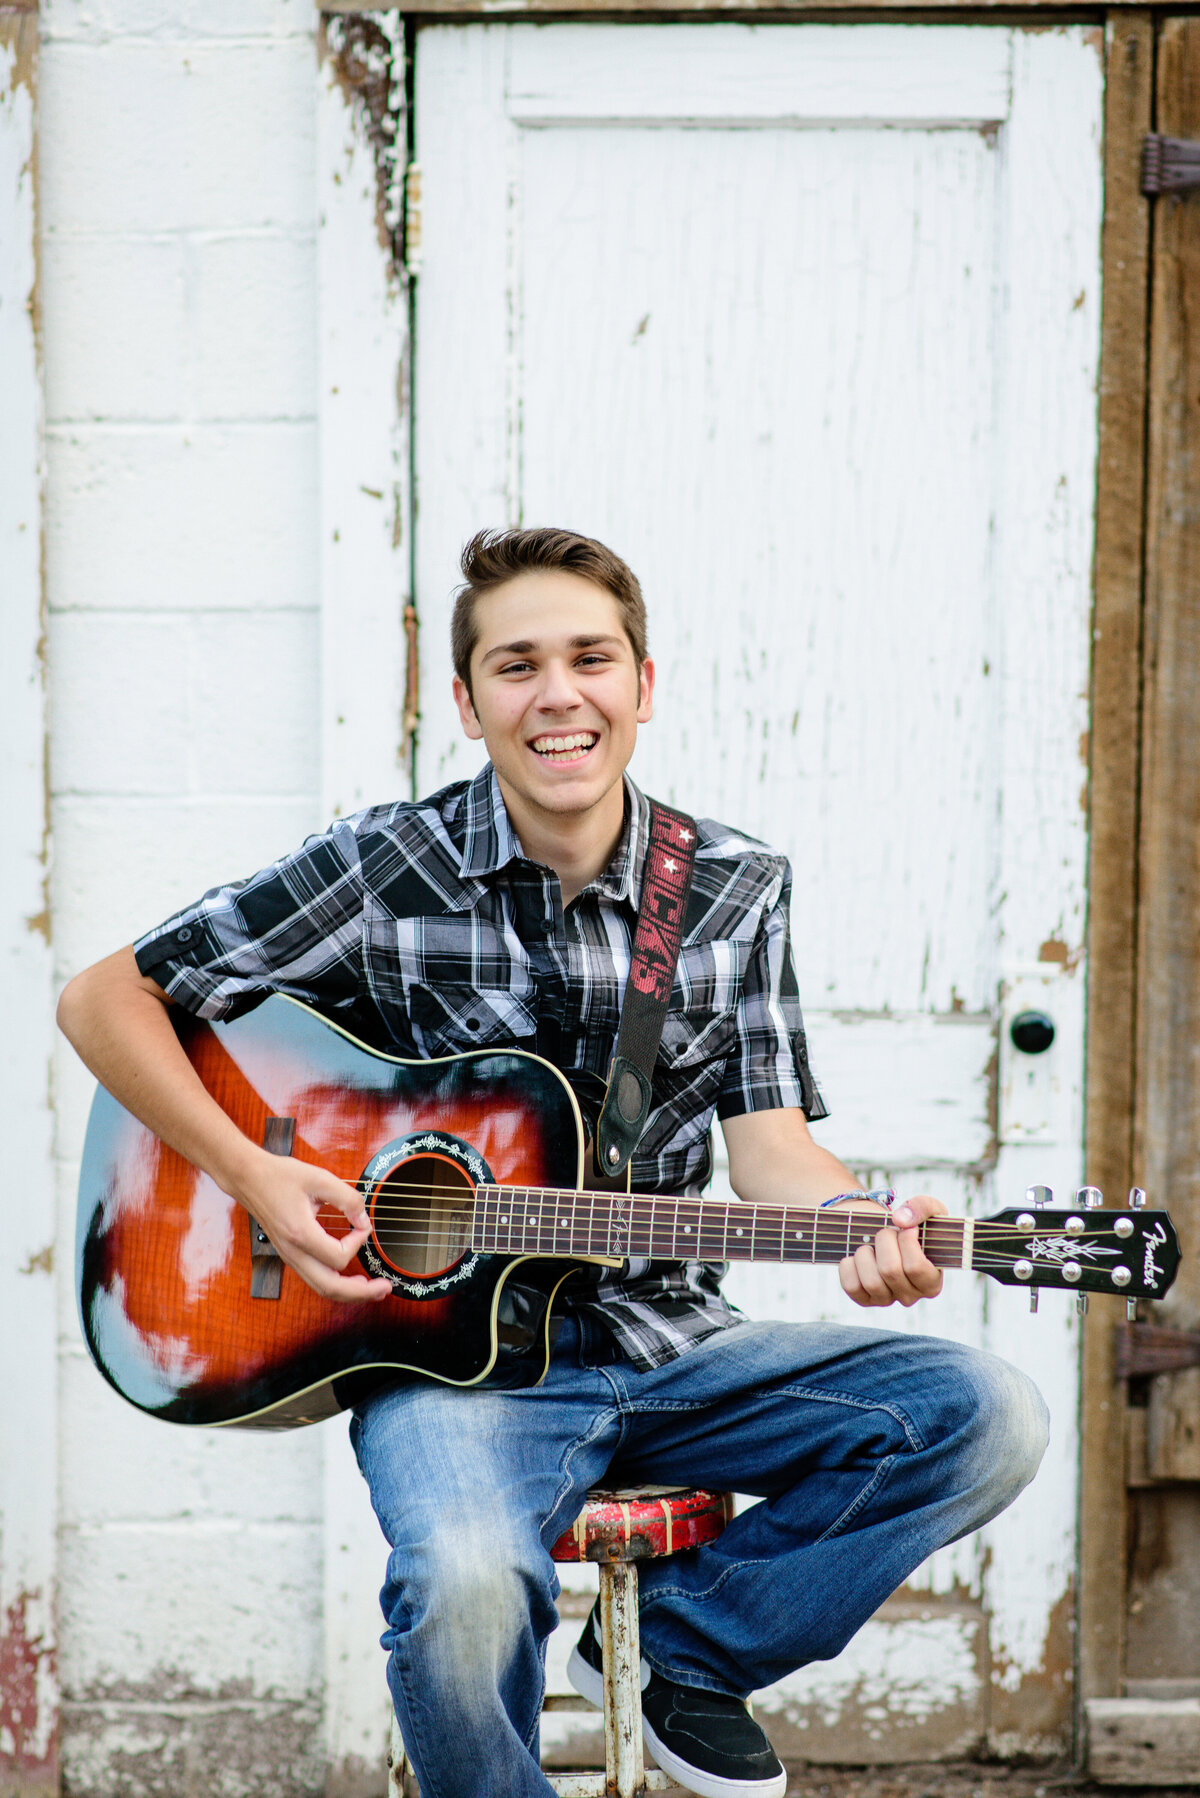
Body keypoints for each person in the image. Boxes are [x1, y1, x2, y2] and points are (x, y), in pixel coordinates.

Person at [58, 527, 1049, 1798]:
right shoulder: (385, 866)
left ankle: (683, 1654)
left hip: (672, 1341)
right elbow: (107, 999)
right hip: (457, 1371)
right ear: (468, 702)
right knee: (465, 1583)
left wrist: (863, 1221)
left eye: (590, 657)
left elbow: (773, 1154)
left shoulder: (734, 889)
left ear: (644, 682)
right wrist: (252, 1170)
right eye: (517, 665)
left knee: (985, 1416)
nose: (558, 693)